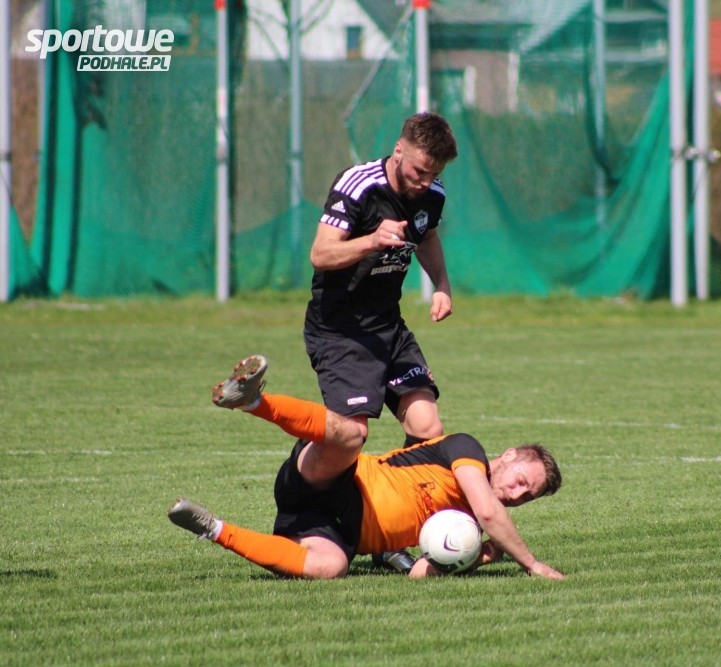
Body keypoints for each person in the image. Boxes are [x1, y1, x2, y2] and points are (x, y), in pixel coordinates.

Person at [169, 355, 565, 580]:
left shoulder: (471, 530)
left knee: (331, 568)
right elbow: (489, 510)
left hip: (334, 531)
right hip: (337, 481)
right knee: (351, 437)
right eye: (520, 481)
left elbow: (420, 573)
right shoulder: (466, 450)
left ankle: (213, 528)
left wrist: (474, 557)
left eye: (526, 497)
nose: (516, 495)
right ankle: (254, 401)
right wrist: (531, 564)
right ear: (508, 455)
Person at [305, 112, 459, 571]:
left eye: (434, 174)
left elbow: (426, 235)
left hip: (389, 327)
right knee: (351, 436)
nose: (425, 182)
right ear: (398, 149)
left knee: (427, 426)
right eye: (419, 171)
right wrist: (371, 240)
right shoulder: (358, 185)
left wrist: (442, 284)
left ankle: (394, 532)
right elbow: (320, 253)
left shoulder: (432, 193)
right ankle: (321, 517)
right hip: (340, 331)